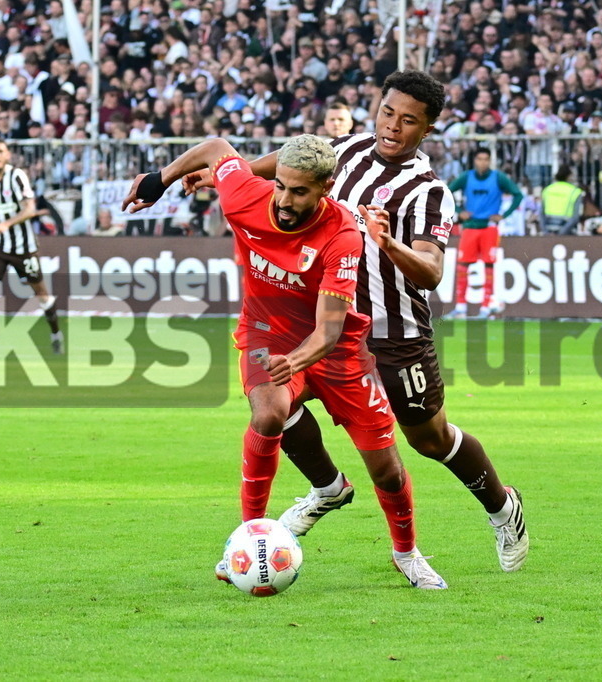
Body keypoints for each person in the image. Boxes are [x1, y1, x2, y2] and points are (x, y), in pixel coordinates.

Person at [185, 70, 528, 573]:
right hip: (320, 323)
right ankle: (325, 488)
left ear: (426, 129)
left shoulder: (428, 191)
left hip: (395, 332)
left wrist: (389, 245)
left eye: (408, 120)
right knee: (275, 403)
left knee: (427, 440)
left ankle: (503, 507)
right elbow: (284, 167)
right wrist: (219, 174)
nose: (393, 126)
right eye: (388, 112)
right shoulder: (341, 150)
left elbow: (432, 272)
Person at [124, 134, 448, 589]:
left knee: (386, 468)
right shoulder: (245, 197)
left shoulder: (342, 235)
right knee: (270, 411)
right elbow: (218, 148)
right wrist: (160, 179)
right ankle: (247, 537)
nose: (284, 200)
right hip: (264, 332)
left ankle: (406, 552)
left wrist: (294, 361)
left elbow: (329, 330)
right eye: (280, 185)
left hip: (335, 350)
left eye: (299, 191)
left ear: (325, 187)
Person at [0, 138, 63, 356]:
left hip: (23, 246)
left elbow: (29, 210)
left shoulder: (17, 176)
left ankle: (55, 332)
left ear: (7, 155)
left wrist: (6, 224)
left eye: (0, 151)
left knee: (41, 293)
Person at [447, 147, 523, 319]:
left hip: (489, 226)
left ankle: (486, 307)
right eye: (480, 159)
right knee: (463, 265)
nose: (483, 162)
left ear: (490, 161)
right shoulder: (467, 176)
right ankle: (460, 307)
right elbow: (446, 192)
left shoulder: (498, 177)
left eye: (486, 159)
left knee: (489, 264)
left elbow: (518, 195)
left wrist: (504, 215)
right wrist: (459, 210)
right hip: (470, 226)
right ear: (475, 160)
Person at [540, 165, 585, 235]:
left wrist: (545, 232)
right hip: (567, 230)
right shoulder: (575, 192)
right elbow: (575, 217)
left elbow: (541, 214)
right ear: (569, 176)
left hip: (549, 228)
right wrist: (561, 233)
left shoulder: (547, 190)